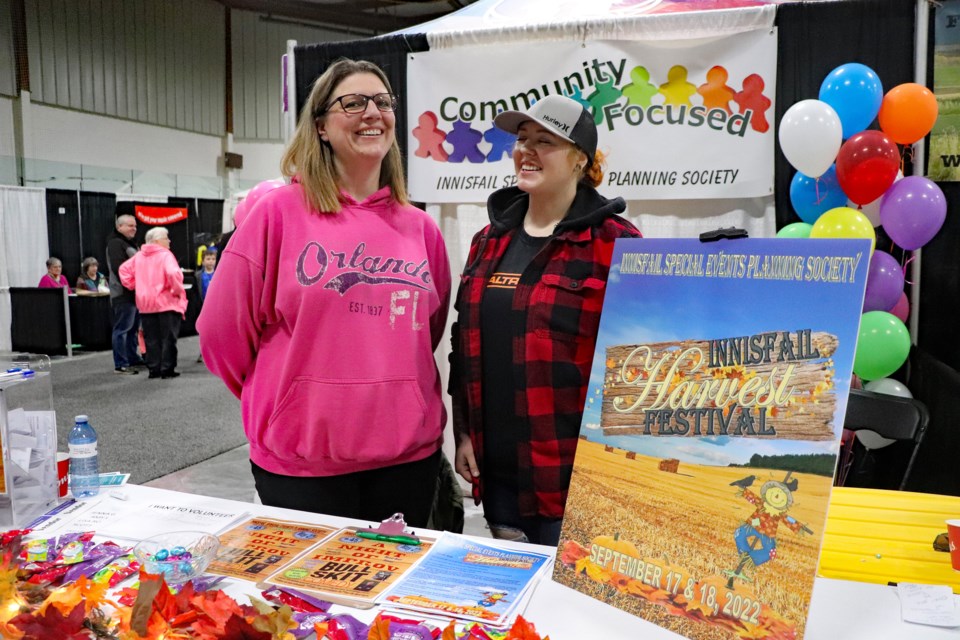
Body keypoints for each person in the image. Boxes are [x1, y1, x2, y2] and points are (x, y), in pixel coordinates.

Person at [198, 59, 451, 527]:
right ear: (321, 127)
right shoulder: (277, 214)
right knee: (310, 599)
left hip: (407, 461)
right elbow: (220, 336)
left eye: (382, 102)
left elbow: (423, 335)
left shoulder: (421, 228)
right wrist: (286, 399)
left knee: (393, 595)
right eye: (352, 103)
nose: (372, 113)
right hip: (302, 467)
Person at [449, 94, 641, 546]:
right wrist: (463, 433)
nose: (527, 150)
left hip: (572, 481)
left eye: (545, 140)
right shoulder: (487, 241)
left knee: (569, 612)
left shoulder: (616, 244)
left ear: (580, 159)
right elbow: (465, 347)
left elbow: (636, 370)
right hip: (497, 475)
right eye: (522, 139)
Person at [119, 227, 187, 379]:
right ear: (157, 241)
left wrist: (134, 285)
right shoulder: (166, 255)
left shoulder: (139, 256)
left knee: (151, 339)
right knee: (168, 338)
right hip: (166, 303)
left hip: (145, 304)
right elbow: (173, 273)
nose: (169, 240)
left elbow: (123, 270)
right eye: (166, 238)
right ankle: (167, 370)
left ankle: (154, 369)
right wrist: (177, 290)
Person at [106, 214, 142, 374]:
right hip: (122, 294)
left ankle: (132, 358)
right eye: (130, 225)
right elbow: (119, 269)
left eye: (135, 225)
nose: (133, 228)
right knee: (122, 329)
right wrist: (133, 285)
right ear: (119, 227)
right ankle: (120, 364)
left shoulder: (129, 244)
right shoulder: (115, 244)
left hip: (134, 294)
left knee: (132, 329)